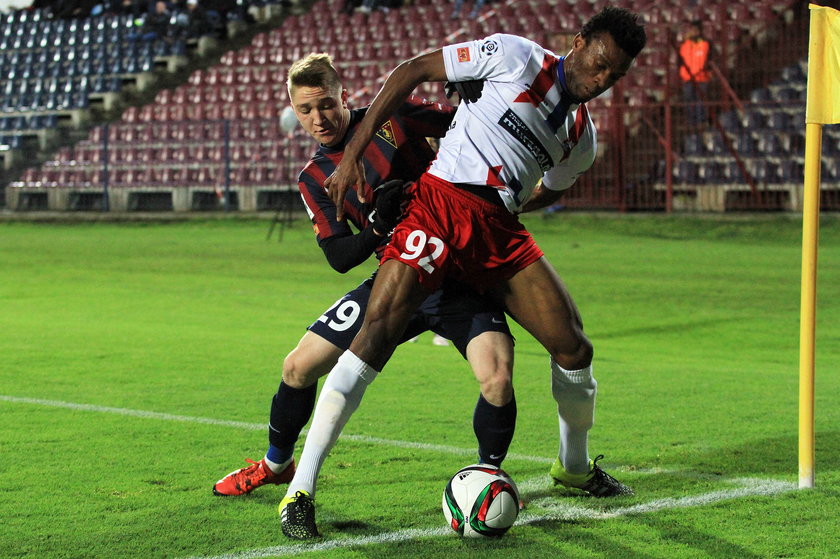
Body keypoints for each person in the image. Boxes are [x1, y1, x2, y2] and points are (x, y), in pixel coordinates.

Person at [279, 6, 645, 539]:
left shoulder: (580, 136)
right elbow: (411, 72)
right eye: (600, 63)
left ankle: (572, 466)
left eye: (615, 75)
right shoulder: (514, 56)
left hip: (498, 228)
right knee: (374, 336)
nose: (602, 80)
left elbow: (556, 187)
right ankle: (301, 490)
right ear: (579, 40)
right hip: (440, 208)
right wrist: (353, 152)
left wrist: (517, 204)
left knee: (574, 348)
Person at [213, 54, 519, 526]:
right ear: (295, 111)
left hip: (454, 272)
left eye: (326, 105)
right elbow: (339, 257)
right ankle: (276, 465)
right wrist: (377, 227)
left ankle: (488, 478)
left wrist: (470, 95)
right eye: (306, 111)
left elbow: (465, 121)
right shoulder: (314, 177)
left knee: (497, 378)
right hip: (393, 280)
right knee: (297, 366)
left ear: (344, 97)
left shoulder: (393, 115)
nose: (319, 119)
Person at [678, 19, 711, 126]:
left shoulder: (706, 43)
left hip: (701, 78)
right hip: (688, 79)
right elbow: (680, 61)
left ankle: (701, 122)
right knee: (689, 102)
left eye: (695, 29)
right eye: (691, 29)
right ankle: (691, 122)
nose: (693, 31)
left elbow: (710, 60)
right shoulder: (685, 44)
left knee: (700, 101)